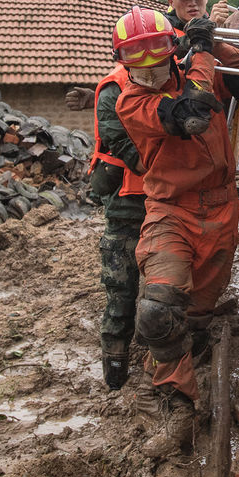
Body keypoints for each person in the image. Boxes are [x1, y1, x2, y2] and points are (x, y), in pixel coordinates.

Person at [115, 6, 239, 458]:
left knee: (195, 318)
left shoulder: (199, 67)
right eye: (136, 68)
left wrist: (214, 43)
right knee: (158, 311)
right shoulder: (132, 100)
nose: (147, 75)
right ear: (124, 64)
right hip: (171, 210)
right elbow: (192, 113)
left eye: (155, 64)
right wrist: (201, 52)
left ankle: (179, 356)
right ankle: (176, 404)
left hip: (221, 211)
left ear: (170, 53)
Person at [86, 34, 147, 392]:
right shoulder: (113, 89)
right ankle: (115, 362)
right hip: (127, 201)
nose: (147, 58)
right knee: (121, 287)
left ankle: (159, 354)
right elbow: (130, 149)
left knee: (165, 290)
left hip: (166, 201)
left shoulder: (175, 80)